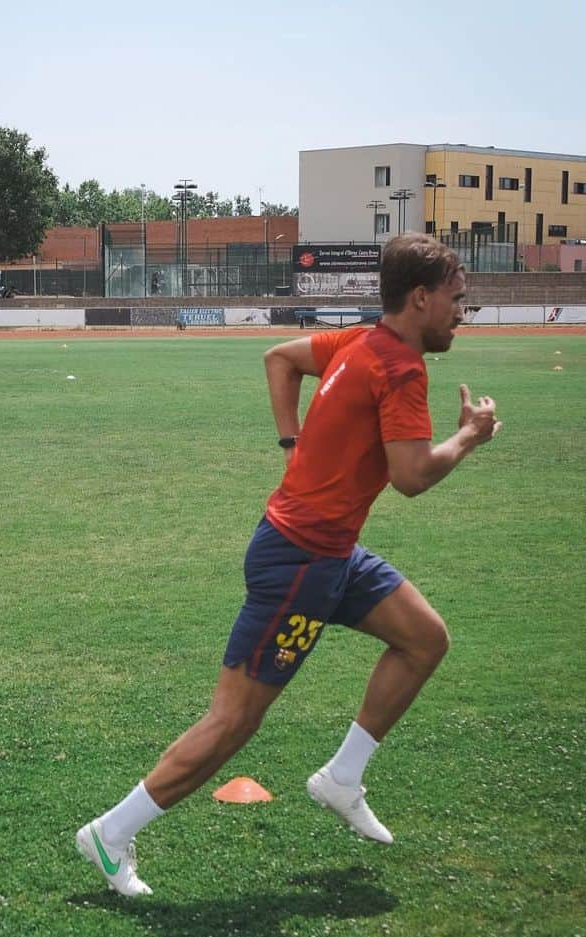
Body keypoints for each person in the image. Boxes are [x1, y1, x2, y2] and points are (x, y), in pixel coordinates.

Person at [76, 233, 502, 896]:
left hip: (327, 554)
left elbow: (279, 358)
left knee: (424, 639)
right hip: (300, 562)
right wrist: (469, 437)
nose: (461, 312)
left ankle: (342, 778)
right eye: (456, 299)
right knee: (234, 721)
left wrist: (291, 442)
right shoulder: (399, 368)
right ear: (420, 298)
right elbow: (412, 477)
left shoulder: (359, 341)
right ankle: (110, 832)